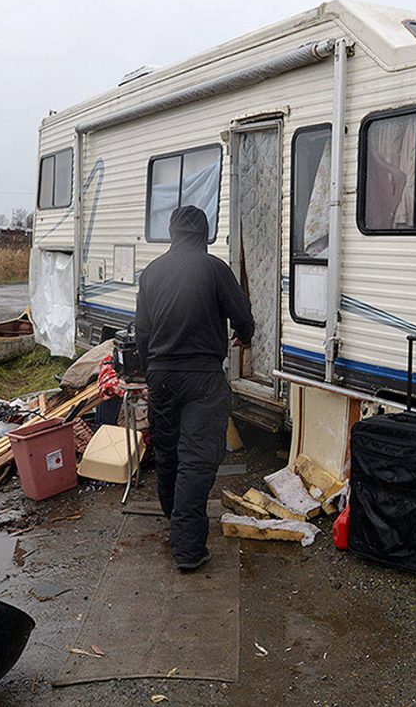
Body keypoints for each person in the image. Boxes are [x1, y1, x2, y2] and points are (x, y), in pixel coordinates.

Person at [135, 204, 254, 571]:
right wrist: (244, 337)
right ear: (204, 234)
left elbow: (142, 330)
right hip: (202, 377)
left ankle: (174, 518)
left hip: (162, 375)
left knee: (169, 452)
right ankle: (187, 550)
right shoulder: (215, 268)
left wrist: (147, 370)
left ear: (172, 233)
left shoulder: (152, 272)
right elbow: (243, 315)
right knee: (197, 461)